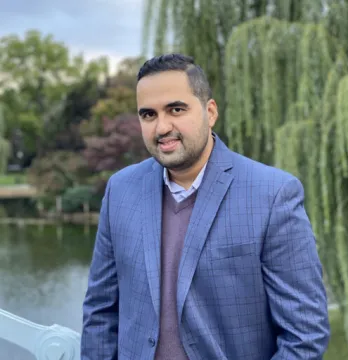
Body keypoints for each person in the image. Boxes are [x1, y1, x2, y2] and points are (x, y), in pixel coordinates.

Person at [81, 53, 330, 360]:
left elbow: (305, 333)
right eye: (148, 114)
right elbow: (100, 312)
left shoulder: (273, 194)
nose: (161, 127)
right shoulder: (120, 190)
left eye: (176, 109)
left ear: (210, 112)